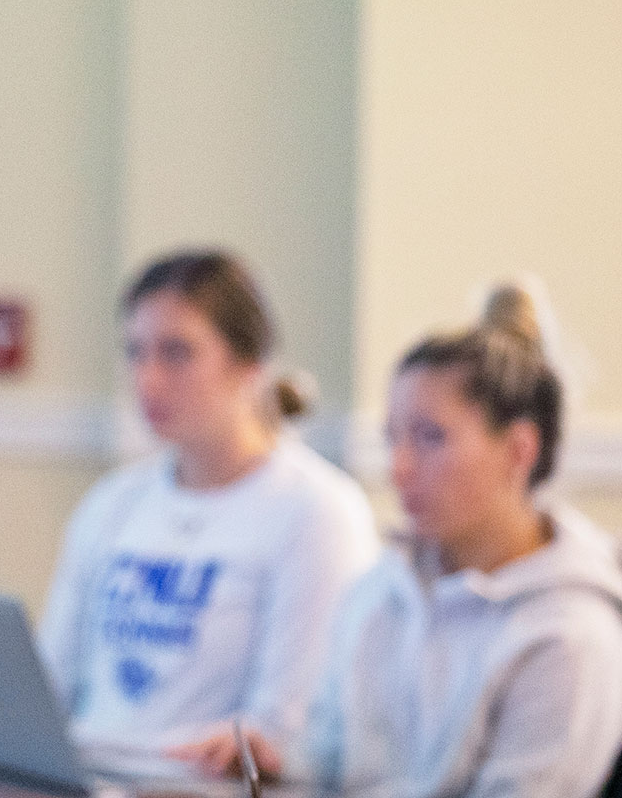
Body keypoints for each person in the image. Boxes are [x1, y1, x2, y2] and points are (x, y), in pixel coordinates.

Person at [210, 283, 622, 796]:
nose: (399, 468)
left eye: (430, 438)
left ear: (518, 451)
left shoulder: (571, 636)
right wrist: (275, 767)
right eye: (392, 438)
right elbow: (326, 766)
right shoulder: (379, 592)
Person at [37, 250, 378, 765]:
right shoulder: (112, 504)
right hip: (87, 774)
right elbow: (47, 686)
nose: (148, 379)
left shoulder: (317, 512)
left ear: (248, 366)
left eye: (176, 353)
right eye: (135, 353)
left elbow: (290, 726)